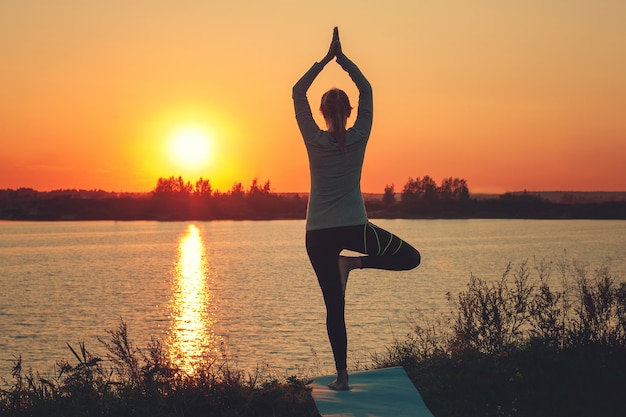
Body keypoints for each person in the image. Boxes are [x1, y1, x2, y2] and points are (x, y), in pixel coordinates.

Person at [292, 27, 421, 390]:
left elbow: (296, 91)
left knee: (335, 307)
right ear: (349, 112)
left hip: (317, 234)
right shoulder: (360, 135)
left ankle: (343, 378)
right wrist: (343, 59)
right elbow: (367, 89)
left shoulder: (313, 138)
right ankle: (353, 262)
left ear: (320, 113)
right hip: (354, 228)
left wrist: (325, 59)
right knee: (411, 257)